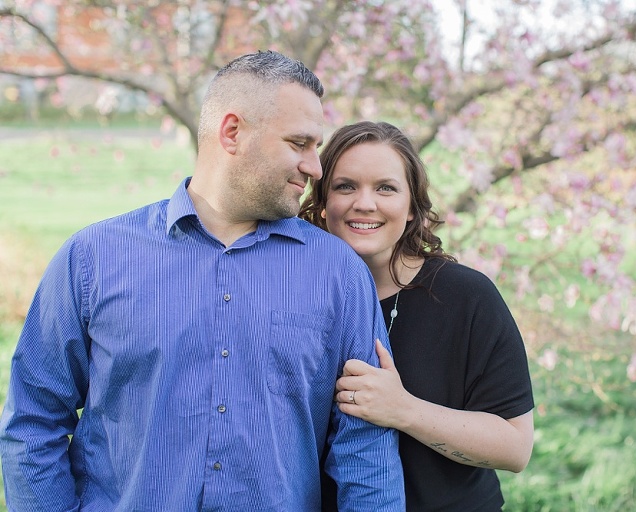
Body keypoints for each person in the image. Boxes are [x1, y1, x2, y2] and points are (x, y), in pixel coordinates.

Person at [0, 52, 404, 511]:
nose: (315, 167)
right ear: (232, 132)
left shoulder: (339, 273)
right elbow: (33, 423)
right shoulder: (92, 258)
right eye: (298, 143)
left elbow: (365, 449)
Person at [300, 121, 535, 511]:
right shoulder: (298, 298)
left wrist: (404, 410)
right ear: (323, 204)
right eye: (346, 186)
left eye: (385, 188)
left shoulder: (467, 298)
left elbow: (515, 447)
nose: (365, 202)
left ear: (411, 208)